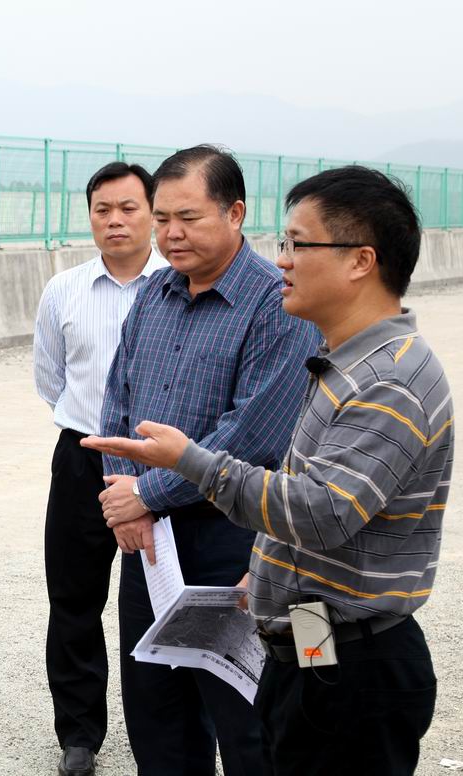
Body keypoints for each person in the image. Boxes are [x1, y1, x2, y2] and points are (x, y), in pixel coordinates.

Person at [84, 165, 452, 776]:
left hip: (349, 645)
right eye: (284, 242)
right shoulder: (343, 362)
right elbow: (119, 399)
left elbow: (323, 510)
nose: (282, 259)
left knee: (269, 735)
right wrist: (266, 569)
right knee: (191, 712)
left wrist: (182, 465)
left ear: (360, 261)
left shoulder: (389, 379)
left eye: (298, 244)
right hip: (310, 624)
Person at [97, 145, 321, 776]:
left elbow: (251, 433)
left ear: (235, 213)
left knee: (249, 715)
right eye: (162, 218)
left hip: (236, 537)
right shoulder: (155, 293)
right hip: (151, 544)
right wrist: (126, 497)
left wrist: (145, 495)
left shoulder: (275, 303)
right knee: (157, 713)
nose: (171, 233)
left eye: (189, 217)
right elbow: (117, 400)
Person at [33, 162, 167, 776]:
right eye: (102, 210)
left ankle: (164, 729)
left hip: (158, 467)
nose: (115, 220)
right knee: (74, 600)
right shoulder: (64, 290)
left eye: (128, 208)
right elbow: (50, 377)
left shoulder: (176, 286)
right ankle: (79, 734)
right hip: (81, 459)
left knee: (162, 599)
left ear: (152, 213)